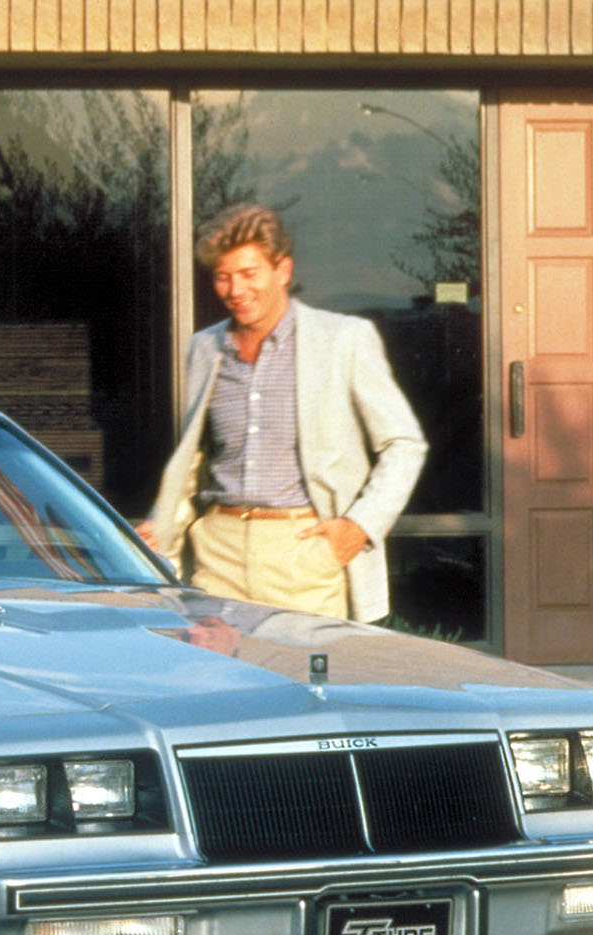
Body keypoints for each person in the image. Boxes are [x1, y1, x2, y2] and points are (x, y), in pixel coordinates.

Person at [136, 204, 427, 622]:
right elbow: (193, 460)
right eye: (223, 276)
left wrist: (359, 526)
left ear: (282, 271)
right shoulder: (204, 349)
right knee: (224, 685)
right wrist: (161, 526)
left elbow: (405, 444)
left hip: (304, 556)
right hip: (217, 556)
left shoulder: (344, 340)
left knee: (305, 684)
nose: (235, 289)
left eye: (249, 273)